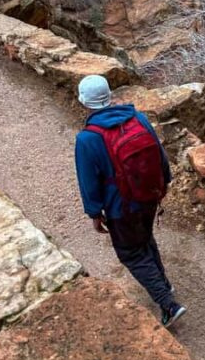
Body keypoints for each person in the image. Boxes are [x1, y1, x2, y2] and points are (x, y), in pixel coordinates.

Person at [74, 75, 186, 328]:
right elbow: (159, 154)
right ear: (109, 95)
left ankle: (168, 304)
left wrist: (94, 214)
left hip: (121, 207)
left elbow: (88, 182)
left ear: (84, 102)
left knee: (132, 253)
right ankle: (164, 284)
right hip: (149, 196)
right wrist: (163, 185)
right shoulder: (138, 118)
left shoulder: (87, 139)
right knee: (144, 239)